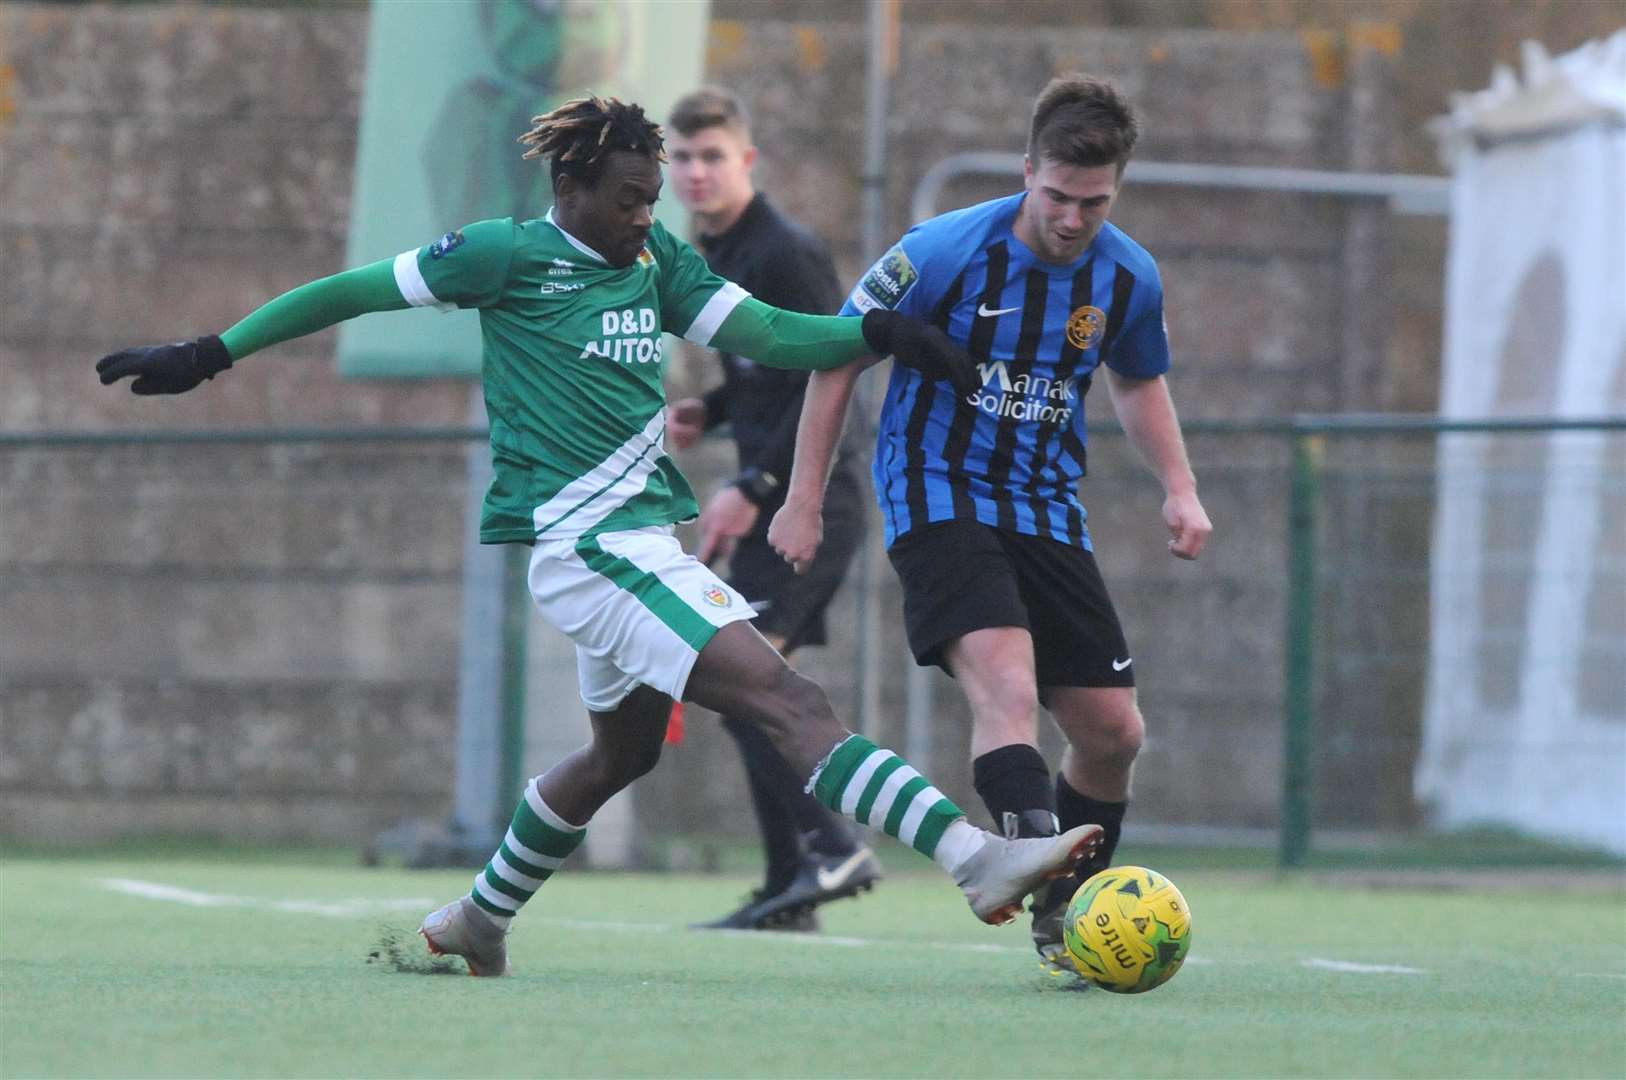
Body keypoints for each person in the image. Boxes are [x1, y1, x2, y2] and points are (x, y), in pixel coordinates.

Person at [94, 95, 1103, 977]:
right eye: (628, 197)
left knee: (620, 756)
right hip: (592, 552)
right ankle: (976, 859)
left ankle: (479, 918)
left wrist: (876, 336)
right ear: (572, 186)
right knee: (784, 695)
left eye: (651, 196)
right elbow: (349, 290)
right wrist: (211, 350)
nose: (645, 215)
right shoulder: (503, 257)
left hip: (640, 546)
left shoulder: (657, 259)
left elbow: (767, 334)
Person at [767, 74, 1212, 976]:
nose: (1073, 218)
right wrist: (803, 496)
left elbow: (1136, 379)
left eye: (1094, 201)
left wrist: (1180, 486)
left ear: (1115, 188)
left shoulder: (1127, 274)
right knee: (1004, 685)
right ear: (1026, 173)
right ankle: (1025, 850)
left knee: (1113, 732)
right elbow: (833, 359)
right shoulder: (940, 251)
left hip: (1047, 506)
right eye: (1057, 196)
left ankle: (1061, 914)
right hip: (937, 495)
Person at [663, 86, 879, 932]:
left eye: (712, 156)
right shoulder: (707, 251)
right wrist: (709, 413)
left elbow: (833, 376)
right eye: (682, 158)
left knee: (748, 684)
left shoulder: (784, 250)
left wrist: (754, 489)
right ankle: (794, 886)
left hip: (813, 502)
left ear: (746, 161)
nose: (695, 172)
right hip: (773, 495)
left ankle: (832, 850)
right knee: (746, 690)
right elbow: (768, 375)